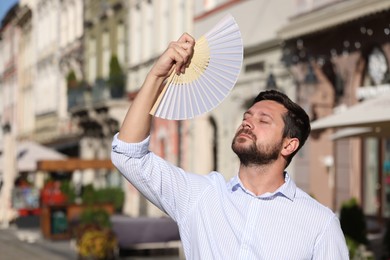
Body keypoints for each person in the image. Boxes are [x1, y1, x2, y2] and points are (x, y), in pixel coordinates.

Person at [111, 33, 349, 259]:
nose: (248, 123)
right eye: (247, 117)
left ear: (289, 145)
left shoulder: (319, 224)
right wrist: (156, 76)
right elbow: (128, 155)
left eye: (263, 120)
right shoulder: (201, 197)